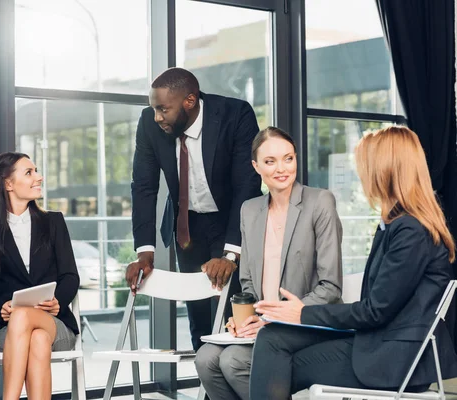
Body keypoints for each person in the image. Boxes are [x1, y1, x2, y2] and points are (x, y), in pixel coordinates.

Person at [249, 126, 457, 399]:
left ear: (383, 170)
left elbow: (374, 312)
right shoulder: (398, 224)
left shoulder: (410, 231)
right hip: (381, 343)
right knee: (272, 338)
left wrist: (301, 313)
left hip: (394, 360)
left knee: (276, 363)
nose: (360, 174)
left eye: (364, 165)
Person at [195, 127, 343, 400]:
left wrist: (274, 318)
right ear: (256, 166)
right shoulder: (250, 210)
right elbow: (248, 283)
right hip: (265, 325)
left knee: (233, 361)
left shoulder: (320, 202)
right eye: (270, 161)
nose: (281, 169)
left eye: (288, 158)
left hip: (308, 323)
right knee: (206, 359)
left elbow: (330, 288)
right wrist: (244, 320)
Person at [126, 67, 262, 350]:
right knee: (199, 323)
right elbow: (143, 187)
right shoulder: (150, 124)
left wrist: (230, 253)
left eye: (163, 109)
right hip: (187, 228)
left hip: (231, 223)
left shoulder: (234, 115)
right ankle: (209, 389)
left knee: (233, 317)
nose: (157, 117)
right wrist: (145, 252)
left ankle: (238, 385)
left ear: (189, 101)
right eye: (153, 108)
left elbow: (247, 186)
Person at [0, 152, 80, 400]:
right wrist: (0, 306)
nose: (39, 177)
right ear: (8, 184)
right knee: (38, 340)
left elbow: (70, 276)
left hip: (56, 324)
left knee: (33, 325)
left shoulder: (53, 222)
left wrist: (58, 301)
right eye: (29, 172)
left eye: (36, 171)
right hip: (5, 330)